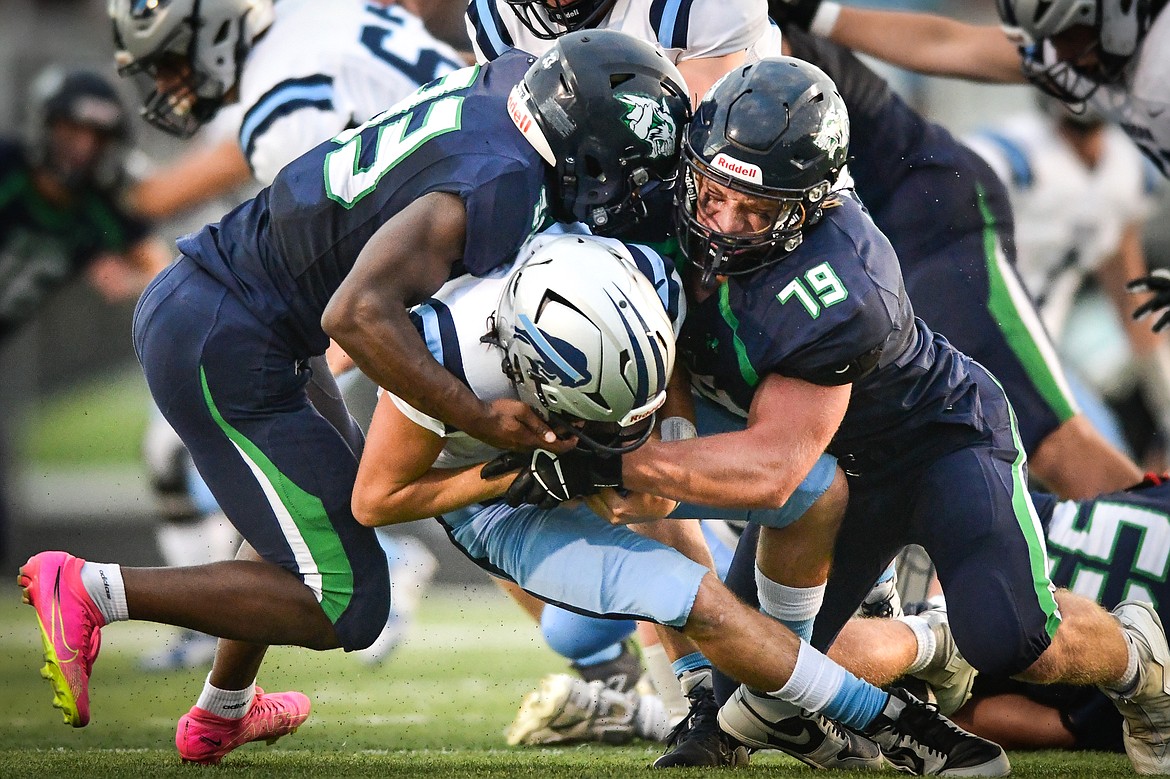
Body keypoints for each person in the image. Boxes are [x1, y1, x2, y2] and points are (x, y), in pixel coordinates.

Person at [17, 29, 690, 764]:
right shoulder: (503, 184)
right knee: (348, 598)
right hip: (226, 335)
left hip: (247, 312)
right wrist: (478, 415)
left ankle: (222, 711)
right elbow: (358, 313)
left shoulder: (517, 83)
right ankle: (89, 588)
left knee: (306, 520)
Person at [499, 57, 1170, 774]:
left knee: (1012, 644)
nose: (724, 223)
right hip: (842, 469)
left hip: (939, 443)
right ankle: (783, 711)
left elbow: (775, 468)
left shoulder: (843, 284)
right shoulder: (666, 197)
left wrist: (610, 461)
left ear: (810, 206)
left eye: (757, 212)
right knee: (758, 666)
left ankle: (1138, 659)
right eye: (713, 193)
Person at [350, 225, 1008, 776]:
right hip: (499, 497)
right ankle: (895, 724)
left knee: (817, 484)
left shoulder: (626, 267)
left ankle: (769, 701)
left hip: (571, 443)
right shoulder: (444, 359)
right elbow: (378, 500)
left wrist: (666, 436)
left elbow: (663, 368)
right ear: (524, 372)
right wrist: (517, 473)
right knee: (681, 598)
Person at [107, 0, 469, 669]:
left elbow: (328, 270)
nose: (168, 83)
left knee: (455, 499)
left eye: (170, 60)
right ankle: (223, 694)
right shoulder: (314, 18)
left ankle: (112, 605)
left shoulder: (283, 103)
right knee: (413, 495)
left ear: (213, 31)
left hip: (410, 279)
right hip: (429, 249)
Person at [0, 67, 170, 562]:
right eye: (71, 131)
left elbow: (166, 274)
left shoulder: (101, 207)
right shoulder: (8, 170)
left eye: (97, 137)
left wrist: (128, 275)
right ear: (43, 127)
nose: (81, 148)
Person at [963, 98, 1170, 462]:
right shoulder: (1008, 154)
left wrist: (1165, 400)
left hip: (1043, 360)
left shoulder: (1128, 170)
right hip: (968, 353)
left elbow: (1129, 294)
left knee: (1110, 468)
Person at [763, 0, 1170, 176]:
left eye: (1070, 33)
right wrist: (817, 13)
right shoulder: (1090, 48)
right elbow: (952, 45)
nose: (1060, 54)